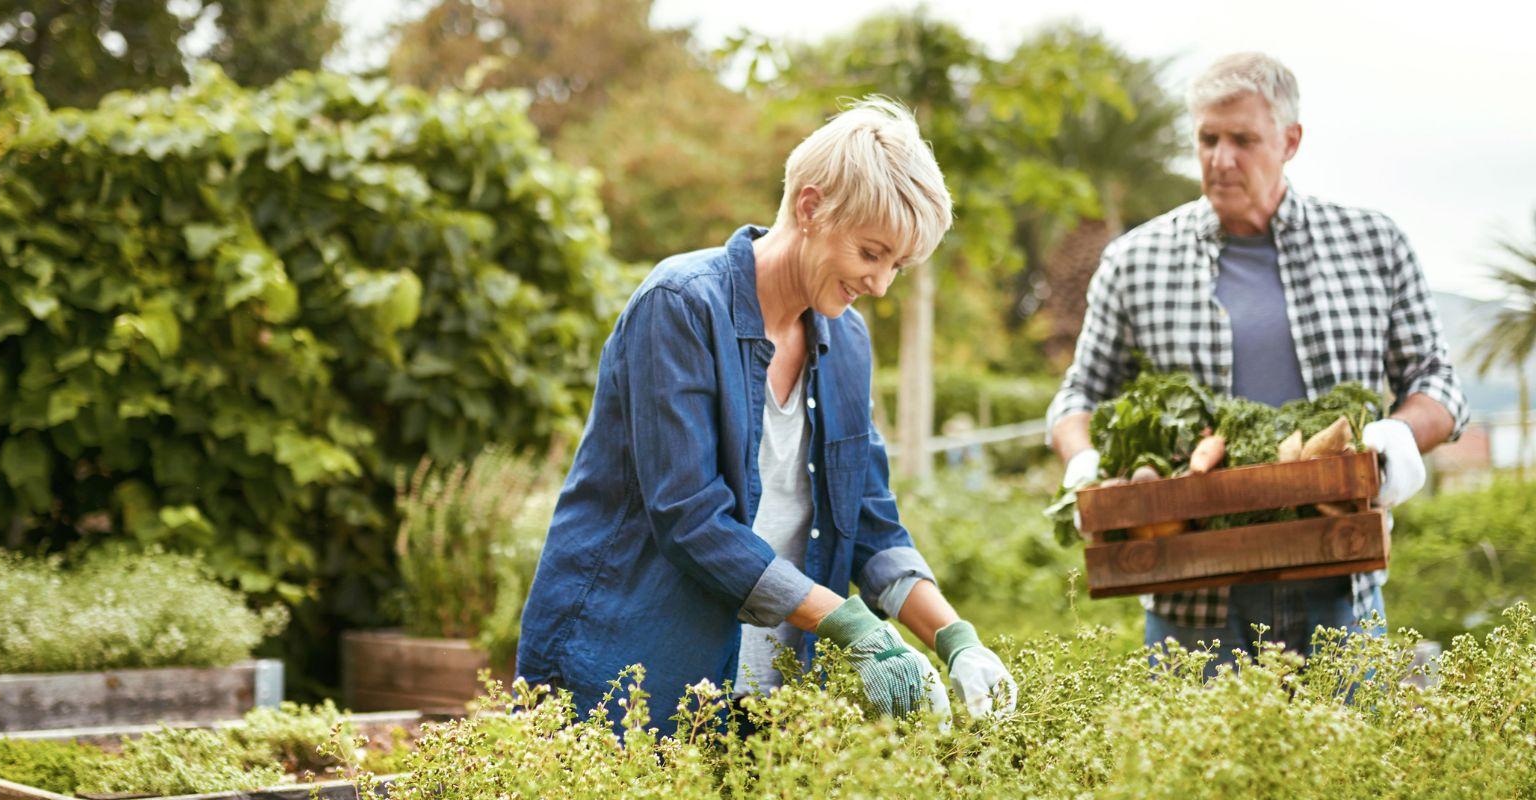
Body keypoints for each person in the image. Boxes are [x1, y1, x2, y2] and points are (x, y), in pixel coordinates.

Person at [516, 98, 1017, 735]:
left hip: (764, 699)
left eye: (898, 264)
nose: (882, 283)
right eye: (871, 252)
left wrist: (957, 640)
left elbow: (868, 521)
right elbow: (690, 519)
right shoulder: (681, 307)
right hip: (627, 677)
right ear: (810, 208)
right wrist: (852, 625)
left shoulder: (847, 344)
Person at [1046, 53, 1469, 672]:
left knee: (1348, 769)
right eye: (1207, 139)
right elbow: (1077, 397)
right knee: (1200, 771)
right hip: (1190, 604)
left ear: (1290, 141)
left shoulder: (1373, 244)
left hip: (1340, 589)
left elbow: (1438, 381)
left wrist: (1397, 436)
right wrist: (1085, 464)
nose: (1220, 159)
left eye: (1242, 139)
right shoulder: (1134, 262)